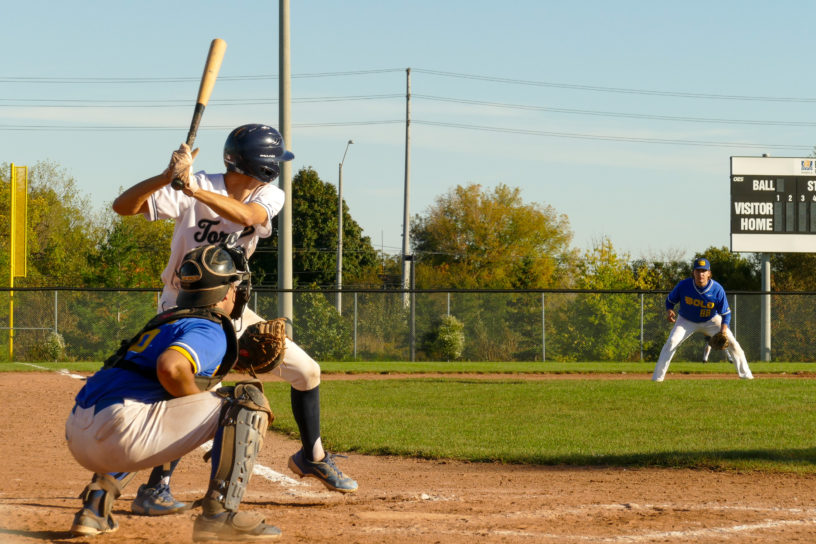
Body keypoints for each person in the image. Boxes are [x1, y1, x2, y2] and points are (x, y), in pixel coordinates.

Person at [111, 124, 356, 516]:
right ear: (261, 164)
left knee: (307, 371)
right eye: (274, 160)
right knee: (194, 395)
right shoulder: (194, 184)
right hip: (183, 309)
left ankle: (312, 456)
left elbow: (247, 214)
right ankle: (155, 486)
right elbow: (122, 207)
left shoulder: (266, 194)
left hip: (231, 311)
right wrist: (165, 178)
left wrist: (191, 189)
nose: (278, 166)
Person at [66, 244, 281, 540]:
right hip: (121, 432)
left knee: (163, 402)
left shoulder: (167, 322)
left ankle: (94, 510)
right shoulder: (211, 328)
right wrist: (194, 402)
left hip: (81, 430)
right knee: (247, 400)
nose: (238, 291)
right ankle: (219, 516)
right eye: (235, 285)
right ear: (227, 292)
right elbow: (171, 367)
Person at [652, 257, 753, 382]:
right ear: (693, 273)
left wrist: (723, 331)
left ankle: (746, 376)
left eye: (704, 271)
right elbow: (670, 301)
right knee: (672, 342)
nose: (701, 274)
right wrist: (669, 310)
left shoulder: (717, 289)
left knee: (733, 344)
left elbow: (726, 314)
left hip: (711, 320)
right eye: (698, 271)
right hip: (686, 320)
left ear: (709, 273)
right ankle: (657, 379)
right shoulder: (684, 285)